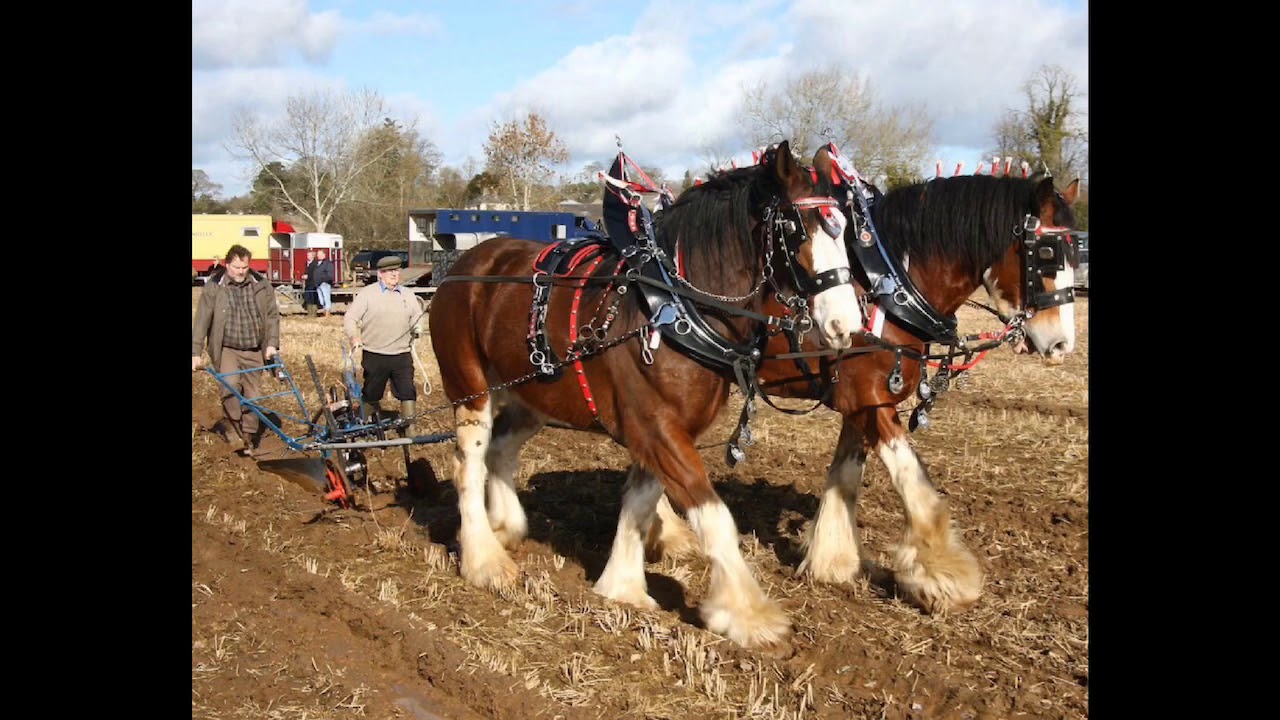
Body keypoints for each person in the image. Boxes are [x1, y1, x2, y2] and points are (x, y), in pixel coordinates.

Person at [192, 244, 280, 456]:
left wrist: (272, 344)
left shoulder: (261, 284)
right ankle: (234, 427)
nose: (241, 271)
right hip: (227, 348)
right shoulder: (215, 285)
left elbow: (272, 317)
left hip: (254, 349)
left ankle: (248, 436)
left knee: (253, 396)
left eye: (245, 267)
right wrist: (195, 352)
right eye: (237, 267)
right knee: (230, 387)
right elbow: (202, 319)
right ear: (227, 264)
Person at [344, 255, 427, 426]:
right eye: (389, 271)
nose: (394, 274)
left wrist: (418, 328)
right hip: (375, 353)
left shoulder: (408, 294)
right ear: (380, 274)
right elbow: (350, 317)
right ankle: (362, 425)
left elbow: (416, 317)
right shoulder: (368, 294)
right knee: (372, 392)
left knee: (407, 391)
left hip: (402, 354)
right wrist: (354, 336)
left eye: (396, 270)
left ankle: (410, 429)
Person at [314, 248, 335, 317]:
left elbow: (330, 274)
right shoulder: (317, 263)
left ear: (324, 255)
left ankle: (327, 314)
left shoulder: (328, 263)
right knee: (321, 300)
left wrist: (323, 280)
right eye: (318, 254)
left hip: (324, 284)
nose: (318, 256)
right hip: (318, 284)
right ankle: (324, 311)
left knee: (326, 298)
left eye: (320, 254)